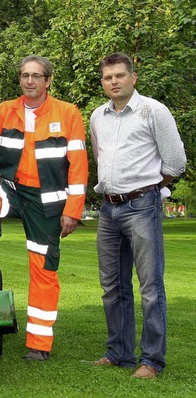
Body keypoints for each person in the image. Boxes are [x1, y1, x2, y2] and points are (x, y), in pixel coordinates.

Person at [0, 55, 88, 360]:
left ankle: (38, 346)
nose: (30, 81)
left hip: (47, 203)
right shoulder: (8, 109)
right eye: (25, 75)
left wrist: (73, 209)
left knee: (43, 271)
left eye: (36, 76)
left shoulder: (68, 112)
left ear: (48, 81)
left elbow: (78, 164)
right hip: (12, 190)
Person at [89, 52, 186, 379]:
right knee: (112, 287)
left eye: (119, 75)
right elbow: (99, 155)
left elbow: (175, 164)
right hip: (108, 208)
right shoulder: (97, 116)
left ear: (133, 77)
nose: (113, 81)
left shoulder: (153, 111)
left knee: (150, 287)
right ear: (103, 82)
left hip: (142, 206)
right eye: (107, 77)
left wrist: (146, 190)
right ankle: (118, 353)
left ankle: (152, 361)